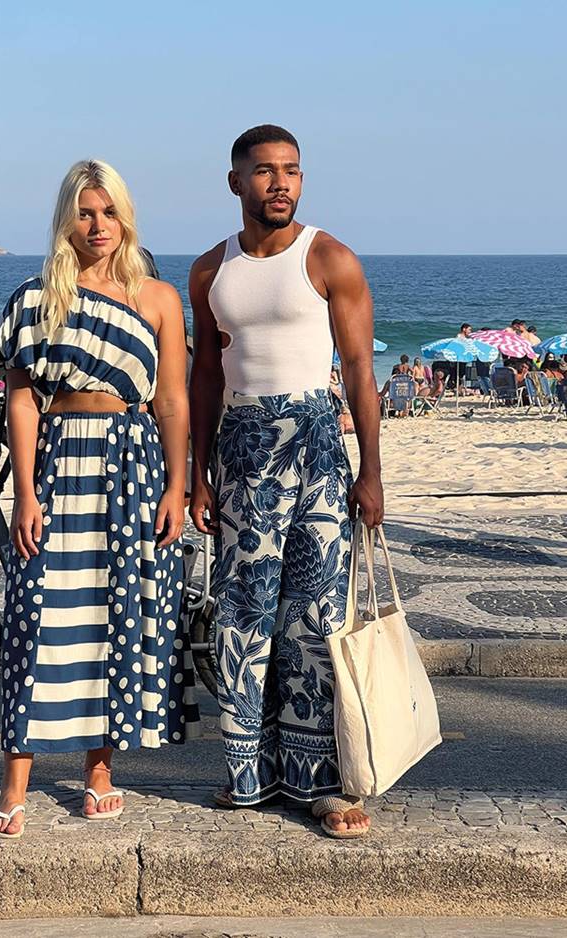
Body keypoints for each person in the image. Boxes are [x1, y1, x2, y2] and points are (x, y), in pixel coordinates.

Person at [0, 159, 199, 840]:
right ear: (67, 219)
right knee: (37, 616)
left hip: (134, 465)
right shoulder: (35, 296)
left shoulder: (159, 297)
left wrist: (177, 483)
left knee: (118, 613)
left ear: (126, 216)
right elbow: (21, 396)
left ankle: (98, 772)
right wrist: (24, 491)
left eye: (109, 212)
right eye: (85, 212)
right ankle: (14, 780)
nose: (98, 225)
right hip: (57, 460)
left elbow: (171, 400)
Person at [189, 125, 382, 839]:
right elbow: (204, 374)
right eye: (265, 171)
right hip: (241, 450)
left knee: (317, 616)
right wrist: (198, 476)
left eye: (291, 171)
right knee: (243, 615)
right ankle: (250, 775)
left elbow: (361, 370)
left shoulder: (328, 256)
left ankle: (322, 783)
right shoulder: (211, 272)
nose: (280, 183)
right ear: (235, 181)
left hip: (318, 449)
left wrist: (372, 474)